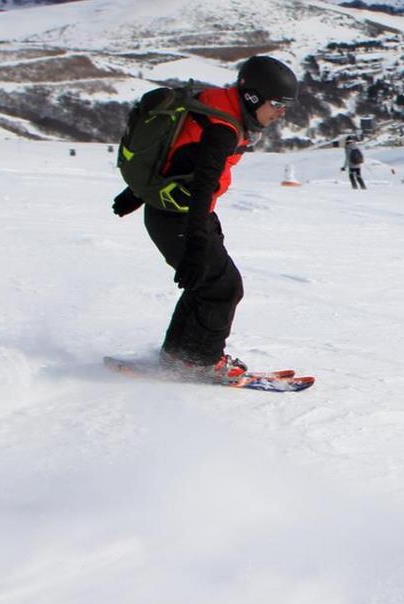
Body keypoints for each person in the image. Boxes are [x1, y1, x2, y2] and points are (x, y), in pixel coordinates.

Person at [110, 55, 298, 380]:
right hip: (180, 218)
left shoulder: (213, 104)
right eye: (278, 104)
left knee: (206, 284)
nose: (281, 113)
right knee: (224, 286)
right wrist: (196, 242)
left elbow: (178, 153)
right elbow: (202, 184)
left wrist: (139, 193)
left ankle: (180, 356)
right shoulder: (223, 129)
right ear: (253, 97)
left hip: (174, 212)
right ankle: (201, 361)